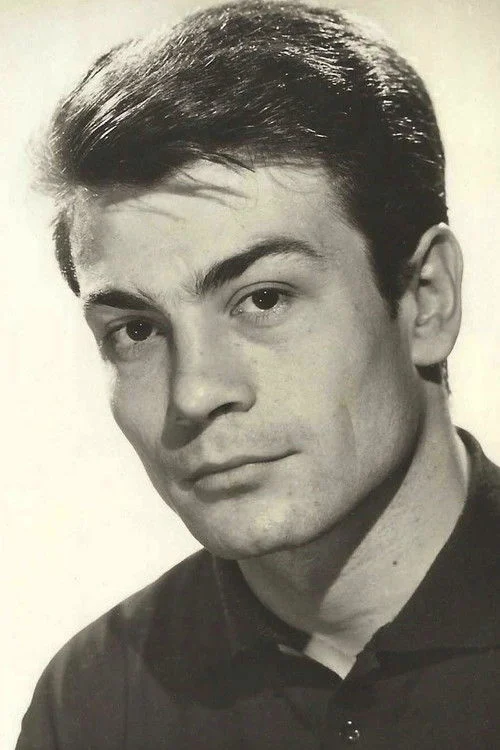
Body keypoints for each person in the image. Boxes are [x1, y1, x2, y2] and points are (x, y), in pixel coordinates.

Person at [16, 1, 499, 747]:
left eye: (263, 299)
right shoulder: (91, 704)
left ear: (426, 300)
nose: (195, 393)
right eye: (137, 330)